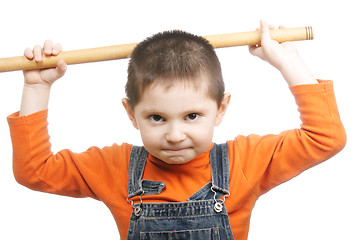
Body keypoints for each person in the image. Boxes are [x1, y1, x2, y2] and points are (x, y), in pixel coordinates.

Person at [7, 20, 346, 239]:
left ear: (221, 109)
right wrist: (37, 88)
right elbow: (35, 171)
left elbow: (326, 137)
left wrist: (288, 61)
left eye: (192, 116)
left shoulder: (246, 161)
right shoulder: (115, 168)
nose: (174, 134)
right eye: (157, 118)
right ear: (131, 113)